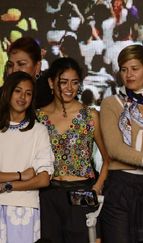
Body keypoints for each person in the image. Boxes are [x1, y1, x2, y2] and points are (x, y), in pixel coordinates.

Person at [99, 44, 143, 243]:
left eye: (134, 68)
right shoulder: (111, 103)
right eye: (124, 69)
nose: (129, 74)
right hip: (120, 187)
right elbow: (113, 148)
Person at [36, 57, 110, 242]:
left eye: (75, 82)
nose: (69, 88)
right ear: (51, 83)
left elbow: (108, 159)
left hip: (82, 191)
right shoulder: (39, 117)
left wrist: (97, 188)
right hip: (49, 194)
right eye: (63, 82)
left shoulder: (90, 115)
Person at [0, 71, 54, 243]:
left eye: (28, 93)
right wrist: (21, 175)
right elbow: (34, 177)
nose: (22, 97)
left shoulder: (39, 131)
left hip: (24, 209)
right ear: (8, 92)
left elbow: (44, 179)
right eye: (18, 91)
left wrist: (7, 186)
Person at [4, 36, 52, 108]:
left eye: (21, 64)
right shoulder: (2, 93)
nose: (14, 70)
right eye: (10, 65)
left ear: (37, 67)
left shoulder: (49, 98)